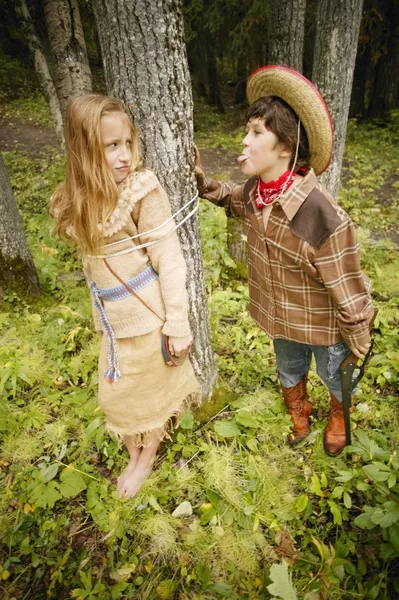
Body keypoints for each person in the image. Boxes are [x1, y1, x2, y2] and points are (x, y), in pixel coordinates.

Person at [195, 65, 375, 456]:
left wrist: (360, 339)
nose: (243, 141)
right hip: (282, 315)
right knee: (289, 366)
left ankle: (339, 412)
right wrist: (205, 185)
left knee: (333, 373)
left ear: (286, 145)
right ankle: (298, 408)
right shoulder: (258, 192)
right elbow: (235, 199)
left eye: (256, 132)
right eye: (247, 131)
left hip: (323, 323)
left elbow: (348, 287)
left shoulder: (321, 217)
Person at [51, 94, 200, 497]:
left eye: (128, 144)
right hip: (114, 326)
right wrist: (100, 321)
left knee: (151, 394)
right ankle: (134, 452)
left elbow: (169, 258)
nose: (124, 156)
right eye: (110, 146)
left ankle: (144, 458)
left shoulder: (141, 192)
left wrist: (178, 323)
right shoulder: (82, 200)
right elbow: (91, 269)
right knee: (117, 397)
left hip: (150, 317)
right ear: (85, 152)